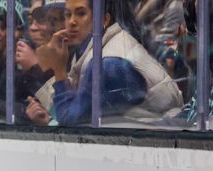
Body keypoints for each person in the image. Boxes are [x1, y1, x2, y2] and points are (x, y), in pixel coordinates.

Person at [36, 0, 184, 125]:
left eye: (81, 13)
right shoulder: (92, 50)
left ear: (104, 20)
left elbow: (70, 123)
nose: (71, 22)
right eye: (67, 15)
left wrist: (58, 69)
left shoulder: (110, 64)